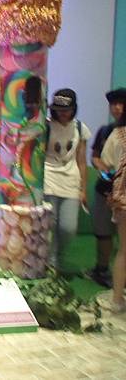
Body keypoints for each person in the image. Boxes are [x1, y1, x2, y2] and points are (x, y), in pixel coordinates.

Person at [44, 89, 91, 271]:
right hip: (49, 177)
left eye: (66, 110)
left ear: (74, 109)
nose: (62, 113)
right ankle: (51, 261)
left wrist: (83, 189)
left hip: (71, 180)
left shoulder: (80, 128)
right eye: (58, 110)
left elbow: (82, 160)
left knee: (68, 227)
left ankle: (58, 254)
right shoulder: (46, 125)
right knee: (50, 223)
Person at [88, 88, 126, 287]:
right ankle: (101, 269)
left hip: (123, 196)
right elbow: (95, 156)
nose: (117, 108)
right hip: (104, 190)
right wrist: (103, 169)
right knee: (103, 233)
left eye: (121, 103)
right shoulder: (105, 131)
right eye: (113, 104)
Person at [101, 109, 126, 313]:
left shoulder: (117, 134)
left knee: (124, 250)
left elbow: (106, 164)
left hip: (122, 200)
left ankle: (117, 300)